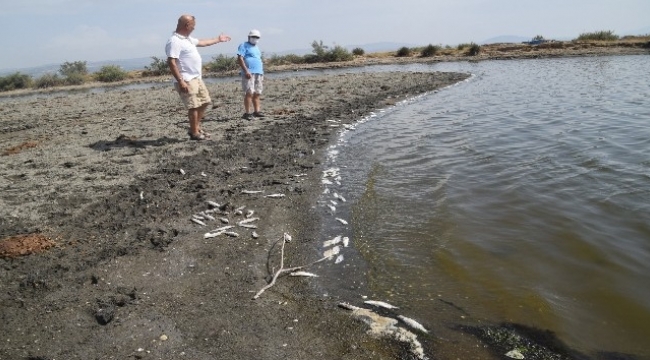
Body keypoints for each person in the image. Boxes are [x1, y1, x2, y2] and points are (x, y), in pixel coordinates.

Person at [166, 14, 231, 140]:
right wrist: (181, 81)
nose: (194, 28)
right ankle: (194, 132)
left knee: (205, 102)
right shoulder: (174, 41)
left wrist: (218, 39)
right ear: (187, 25)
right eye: (193, 26)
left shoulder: (187, 39)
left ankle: (195, 128)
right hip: (186, 79)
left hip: (196, 78)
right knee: (194, 106)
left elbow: (202, 42)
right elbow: (171, 62)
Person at [237, 29, 265, 120]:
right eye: (253, 37)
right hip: (249, 72)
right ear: (249, 37)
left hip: (258, 72)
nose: (255, 38)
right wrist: (246, 71)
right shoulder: (243, 45)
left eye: (257, 37)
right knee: (249, 92)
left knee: (257, 92)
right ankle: (247, 113)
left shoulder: (257, 47)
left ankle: (257, 111)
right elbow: (240, 58)